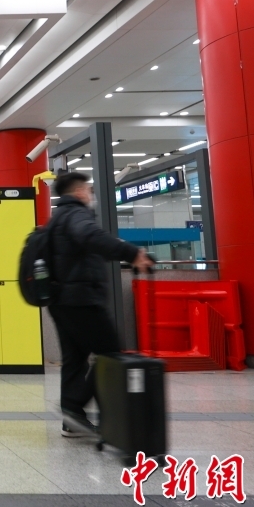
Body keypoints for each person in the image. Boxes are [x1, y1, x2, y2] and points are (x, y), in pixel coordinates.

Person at [47, 172, 153, 438]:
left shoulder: (57, 217)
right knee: (110, 355)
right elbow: (90, 236)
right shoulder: (76, 215)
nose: (90, 195)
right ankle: (73, 409)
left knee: (74, 359)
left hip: (61, 301)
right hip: (81, 300)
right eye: (89, 190)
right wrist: (132, 253)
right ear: (80, 191)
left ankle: (72, 420)